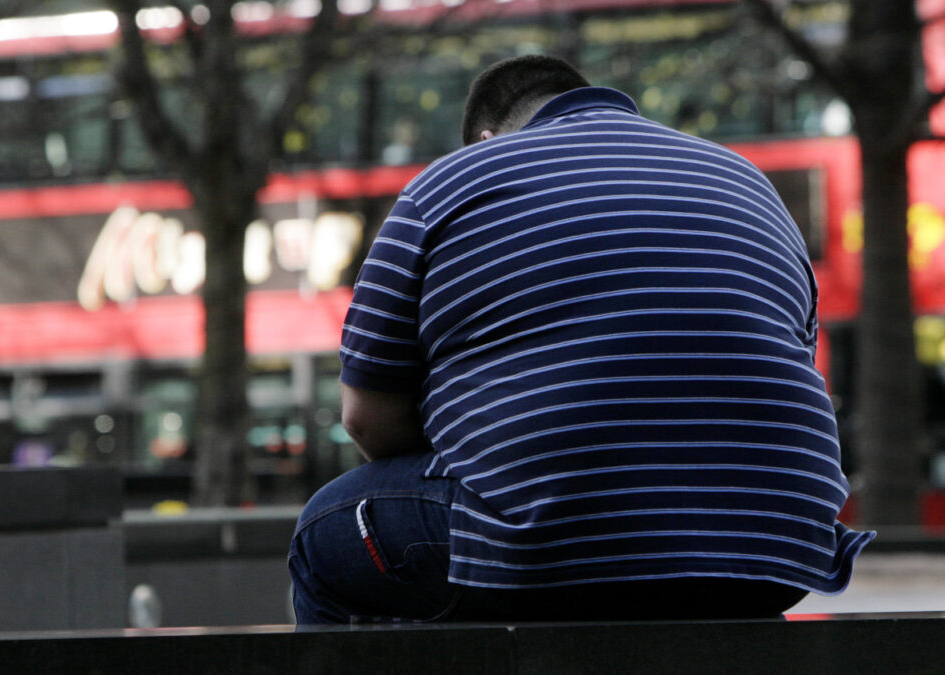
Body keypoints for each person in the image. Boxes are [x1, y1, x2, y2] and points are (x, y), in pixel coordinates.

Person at [287, 55, 874, 623]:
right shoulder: (750, 182)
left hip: (551, 553)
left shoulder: (445, 187)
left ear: (489, 139)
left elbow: (367, 420)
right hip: (776, 558)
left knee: (325, 534)